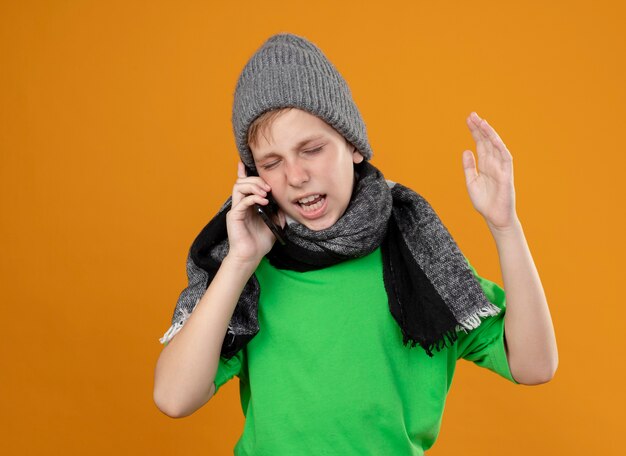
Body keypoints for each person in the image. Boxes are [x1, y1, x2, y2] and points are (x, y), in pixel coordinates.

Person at [153, 32, 558, 455]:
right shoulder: (251, 273)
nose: (295, 176)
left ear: (353, 146)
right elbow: (174, 398)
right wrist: (239, 261)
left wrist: (505, 226)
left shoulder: (420, 258)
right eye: (272, 163)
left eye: (311, 149)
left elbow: (533, 365)